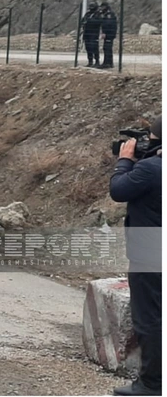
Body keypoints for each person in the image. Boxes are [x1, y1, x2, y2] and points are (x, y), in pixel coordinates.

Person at [110, 114, 162, 396]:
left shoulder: (152, 169)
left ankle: (152, 384)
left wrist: (125, 161)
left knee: (151, 318)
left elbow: (119, 190)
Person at [81, 2, 103, 67]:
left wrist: (89, 21)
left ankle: (97, 61)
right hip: (87, 32)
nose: (91, 8)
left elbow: (99, 22)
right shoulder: (87, 14)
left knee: (94, 47)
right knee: (88, 47)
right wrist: (86, 22)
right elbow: (82, 21)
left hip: (94, 33)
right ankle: (90, 61)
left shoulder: (98, 14)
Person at [100, 1, 118, 69]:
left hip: (109, 33)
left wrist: (104, 32)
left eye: (103, 7)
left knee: (108, 48)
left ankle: (108, 63)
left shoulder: (109, 14)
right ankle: (107, 62)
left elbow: (107, 24)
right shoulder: (106, 13)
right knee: (106, 48)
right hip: (109, 33)